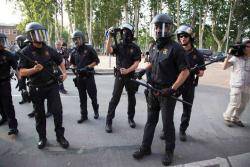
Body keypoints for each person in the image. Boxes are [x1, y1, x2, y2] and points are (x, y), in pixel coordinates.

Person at [132, 14, 190, 166]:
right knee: (150, 121)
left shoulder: (176, 48)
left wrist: (172, 89)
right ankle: (145, 148)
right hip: (152, 90)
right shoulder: (153, 46)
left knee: (167, 123)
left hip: (167, 93)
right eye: (156, 27)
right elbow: (152, 62)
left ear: (169, 28)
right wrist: (142, 71)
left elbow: (185, 72)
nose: (158, 30)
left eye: (161, 27)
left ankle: (169, 151)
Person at [19, 22, 69, 149]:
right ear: (30, 35)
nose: (40, 36)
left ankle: (60, 136)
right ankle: (42, 137)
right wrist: (34, 70)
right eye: (37, 33)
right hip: (36, 88)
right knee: (39, 115)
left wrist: (64, 73)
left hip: (51, 86)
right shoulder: (26, 51)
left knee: (57, 111)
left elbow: (60, 61)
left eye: (42, 33)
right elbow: (21, 72)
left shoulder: (48, 49)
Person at [105, 23, 141, 133]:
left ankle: (131, 118)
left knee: (131, 98)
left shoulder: (135, 47)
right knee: (115, 98)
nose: (124, 34)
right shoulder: (119, 45)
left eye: (126, 31)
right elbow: (108, 50)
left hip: (130, 76)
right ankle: (109, 121)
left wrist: (128, 70)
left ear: (130, 33)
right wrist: (110, 37)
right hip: (120, 76)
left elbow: (137, 62)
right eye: (123, 31)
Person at [173, 25, 205, 141]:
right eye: (180, 36)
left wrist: (197, 70)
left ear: (190, 37)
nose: (183, 38)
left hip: (189, 85)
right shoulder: (176, 51)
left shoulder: (198, 54)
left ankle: (182, 130)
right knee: (168, 106)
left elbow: (201, 73)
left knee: (187, 109)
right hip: (176, 84)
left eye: (185, 36)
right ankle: (166, 129)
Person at [70, 30, 100, 123]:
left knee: (93, 96)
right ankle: (84, 115)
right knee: (82, 98)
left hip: (89, 77)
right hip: (79, 78)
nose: (76, 41)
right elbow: (73, 64)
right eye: (74, 39)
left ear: (82, 38)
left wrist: (87, 67)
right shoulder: (74, 51)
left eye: (78, 39)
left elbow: (96, 61)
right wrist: (73, 68)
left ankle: (96, 111)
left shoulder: (89, 48)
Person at [222, 38, 250, 127]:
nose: (248, 48)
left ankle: (235, 118)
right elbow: (224, 67)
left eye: (249, 46)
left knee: (243, 104)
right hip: (236, 85)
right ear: (243, 47)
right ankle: (227, 117)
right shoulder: (236, 57)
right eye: (246, 46)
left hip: (248, 86)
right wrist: (229, 55)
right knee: (234, 103)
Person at [0, 33, 19, 135]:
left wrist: (20, 81)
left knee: (8, 105)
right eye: (1, 41)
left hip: (4, 83)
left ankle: (13, 126)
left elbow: (16, 68)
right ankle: (4, 118)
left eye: (3, 41)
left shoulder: (8, 55)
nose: (2, 43)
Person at [15, 35, 31, 105]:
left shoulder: (28, 49)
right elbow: (14, 58)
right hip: (22, 70)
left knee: (31, 84)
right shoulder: (19, 50)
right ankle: (24, 97)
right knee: (21, 84)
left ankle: (33, 98)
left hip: (29, 69)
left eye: (18, 42)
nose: (18, 43)